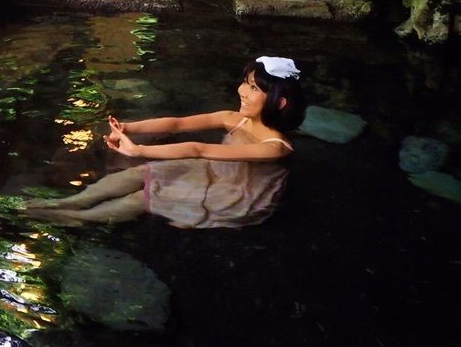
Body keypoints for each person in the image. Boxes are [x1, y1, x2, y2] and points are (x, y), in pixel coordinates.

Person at [23, 56, 307, 227]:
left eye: (253, 87)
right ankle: (72, 202)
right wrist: (129, 127)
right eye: (246, 82)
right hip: (214, 171)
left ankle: (76, 219)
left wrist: (139, 149)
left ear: (278, 102)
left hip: (235, 191)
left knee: (143, 197)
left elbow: (200, 149)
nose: (241, 90)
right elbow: (179, 123)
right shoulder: (236, 118)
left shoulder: (275, 148)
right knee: (141, 172)